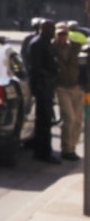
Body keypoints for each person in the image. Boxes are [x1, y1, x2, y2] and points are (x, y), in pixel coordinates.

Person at [29, 18, 61, 164]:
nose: (53, 33)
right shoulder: (37, 44)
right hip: (42, 86)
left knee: (46, 120)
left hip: (48, 85)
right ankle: (42, 152)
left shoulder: (47, 44)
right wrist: (47, 79)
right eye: (51, 30)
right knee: (43, 121)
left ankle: (43, 150)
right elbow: (36, 67)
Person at [53, 22, 83, 161]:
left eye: (64, 34)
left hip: (76, 87)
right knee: (69, 118)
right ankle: (66, 149)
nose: (62, 37)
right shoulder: (52, 48)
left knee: (78, 121)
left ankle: (72, 147)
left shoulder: (76, 48)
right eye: (60, 34)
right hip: (62, 87)